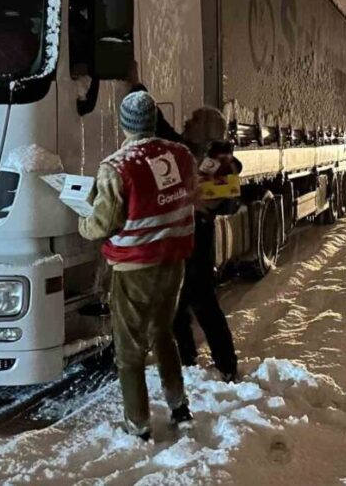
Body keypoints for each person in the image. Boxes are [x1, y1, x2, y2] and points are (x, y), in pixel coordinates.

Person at [78, 90, 197, 440]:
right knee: (163, 333)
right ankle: (179, 407)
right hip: (173, 262)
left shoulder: (116, 166)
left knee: (129, 349)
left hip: (135, 268)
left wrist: (83, 220)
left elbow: (101, 224)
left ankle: (138, 424)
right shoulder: (181, 155)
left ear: (123, 123)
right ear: (154, 120)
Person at [172, 107, 240, 383]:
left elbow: (219, 203)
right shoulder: (187, 148)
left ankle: (227, 365)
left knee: (204, 304)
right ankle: (186, 359)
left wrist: (193, 199)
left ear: (208, 131)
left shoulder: (223, 162)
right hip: (181, 237)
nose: (187, 121)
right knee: (177, 303)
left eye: (194, 119)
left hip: (198, 239)